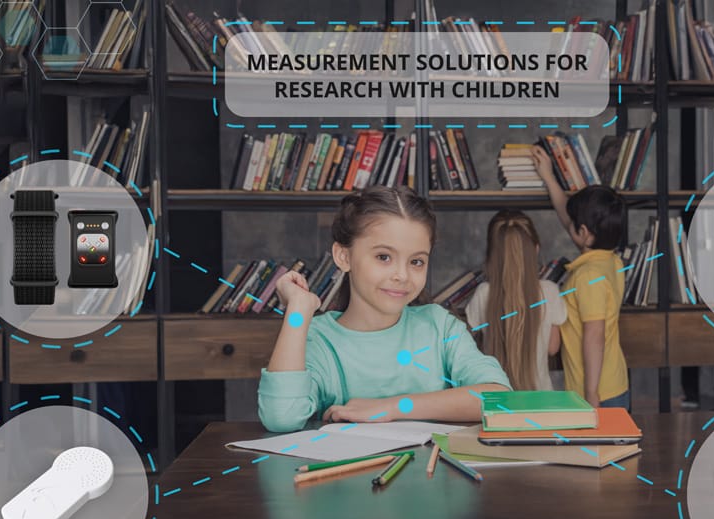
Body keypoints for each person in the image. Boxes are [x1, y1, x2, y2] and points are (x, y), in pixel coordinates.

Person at [258, 186, 511, 433]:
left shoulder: (439, 326)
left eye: (416, 262)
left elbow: (498, 399)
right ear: (343, 256)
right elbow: (282, 417)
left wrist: (393, 407)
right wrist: (298, 311)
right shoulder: (316, 338)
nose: (402, 275)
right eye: (383, 257)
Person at [532, 146, 630, 410]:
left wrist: (591, 392)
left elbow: (594, 335)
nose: (568, 225)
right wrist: (549, 176)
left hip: (598, 392)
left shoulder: (587, 276)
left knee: (598, 452)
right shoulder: (611, 260)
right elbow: (570, 220)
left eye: (575, 225)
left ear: (584, 232)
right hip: (614, 382)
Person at [465, 210, 567, 390]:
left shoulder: (483, 293)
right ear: (535, 249)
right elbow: (552, 348)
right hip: (540, 400)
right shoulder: (550, 291)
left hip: (497, 398)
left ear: (491, 255)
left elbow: (470, 347)